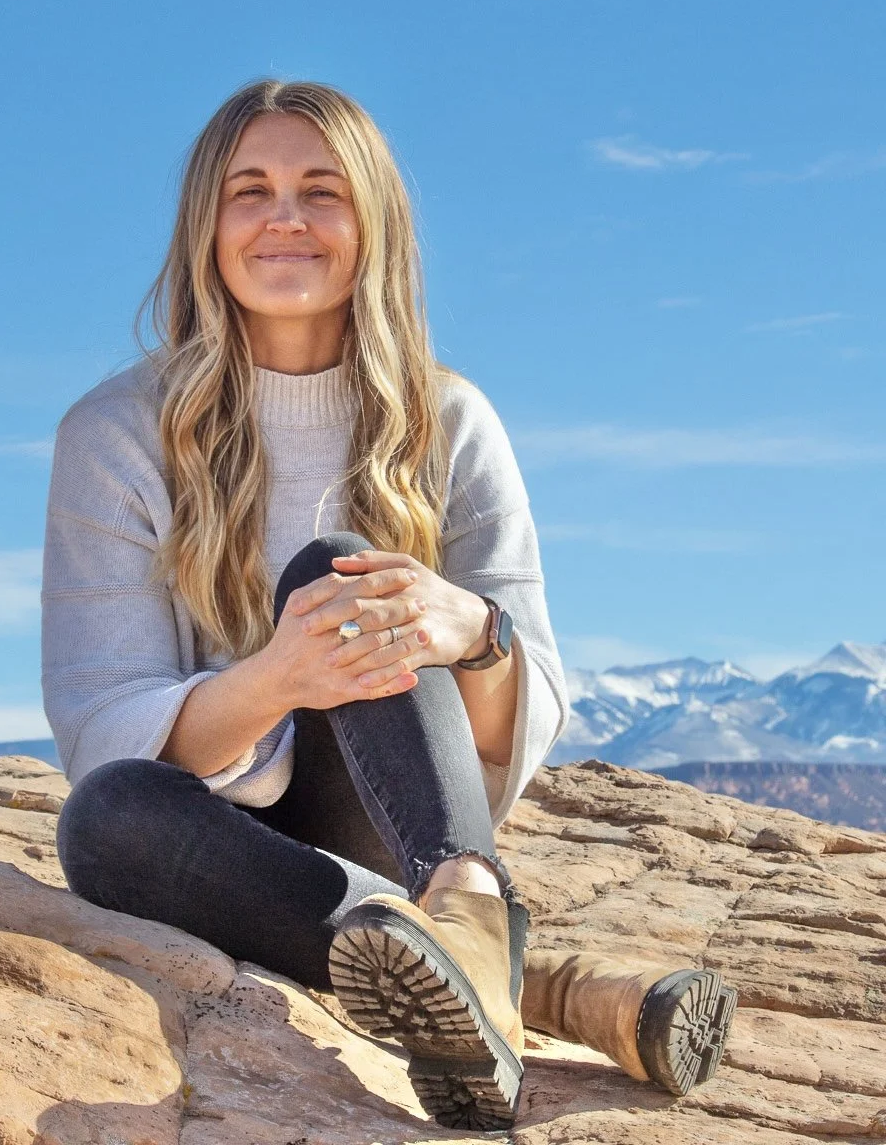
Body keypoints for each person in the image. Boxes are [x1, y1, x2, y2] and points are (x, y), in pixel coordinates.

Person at [43, 79, 735, 1131]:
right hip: (215, 837)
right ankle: (525, 982)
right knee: (105, 819)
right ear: (204, 226)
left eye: (320, 190)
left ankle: (459, 911)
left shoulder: (448, 420)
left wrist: (475, 631)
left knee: (339, 569)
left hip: (402, 820)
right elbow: (104, 727)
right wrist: (277, 678)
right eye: (249, 191)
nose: (284, 217)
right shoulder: (116, 433)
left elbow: (521, 717)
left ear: (371, 224)